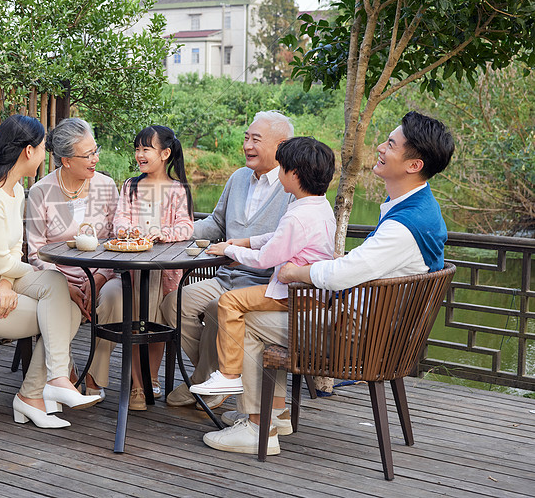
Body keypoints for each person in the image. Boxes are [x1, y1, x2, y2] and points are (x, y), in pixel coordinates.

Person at [202, 111, 455, 455]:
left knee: (247, 321)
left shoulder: (404, 226)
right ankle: (276, 412)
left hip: (360, 337)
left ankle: (258, 426)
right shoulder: (418, 209)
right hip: (379, 330)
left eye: (391, 144)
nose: (380, 147)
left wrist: (296, 273)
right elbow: (360, 267)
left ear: (413, 165)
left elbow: (340, 276)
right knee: (256, 314)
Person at [0, 114, 100, 430]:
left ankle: (48, 385)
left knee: (59, 285)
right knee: (64, 312)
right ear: (28, 151)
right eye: (44, 147)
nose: (47, 155)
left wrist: (6, 282)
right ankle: (39, 390)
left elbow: (11, 252)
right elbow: (4, 261)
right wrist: (6, 276)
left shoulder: (15, 191)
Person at [161, 111, 295, 409]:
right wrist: (174, 230)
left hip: (262, 284)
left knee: (215, 310)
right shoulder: (237, 178)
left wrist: (240, 253)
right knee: (174, 303)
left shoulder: (292, 187)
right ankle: (210, 376)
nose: (247, 144)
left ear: (282, 144)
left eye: (256, 139)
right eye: (246, 137)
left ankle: (210, 381)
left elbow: (286, 244)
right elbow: (215, 224)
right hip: (226, 277)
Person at [190, 137, 336, 400]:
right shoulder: (317, 206)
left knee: (229, 303)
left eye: (281, 169)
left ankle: (229, 375)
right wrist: (246, 241)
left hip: (293, 294)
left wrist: (229, 249)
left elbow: (265, 259)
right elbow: (277, 237)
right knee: (231, 302)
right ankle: (233, 379)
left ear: (293, 174)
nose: (278, 174)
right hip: (308, 293)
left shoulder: (296, 215)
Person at [26, 118, 122, 401]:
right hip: (58, 279)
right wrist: (65, 284)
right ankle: (64, 371)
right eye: (88, 154)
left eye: (96, 151)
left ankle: (94, 373)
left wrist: (100, 277)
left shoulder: (106, 186)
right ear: (66, 160)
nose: (96, 159)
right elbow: (35, 252)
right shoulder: (40, 192)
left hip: (104, 275)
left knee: (117, 298)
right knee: (61, 306)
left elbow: (116, 241)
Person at [113, 125, 193, 411]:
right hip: (133, 270)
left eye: (146, 149)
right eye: (137, 149)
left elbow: (185, 226)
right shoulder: (130, 186)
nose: (139, 154)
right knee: (135, 322)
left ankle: (151, 379)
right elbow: (119, 221)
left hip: (165, 272)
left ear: (165, 153)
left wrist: (162, 234)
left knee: (155, 324)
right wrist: (129, 231)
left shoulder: (176, 189)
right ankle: (137, 385)